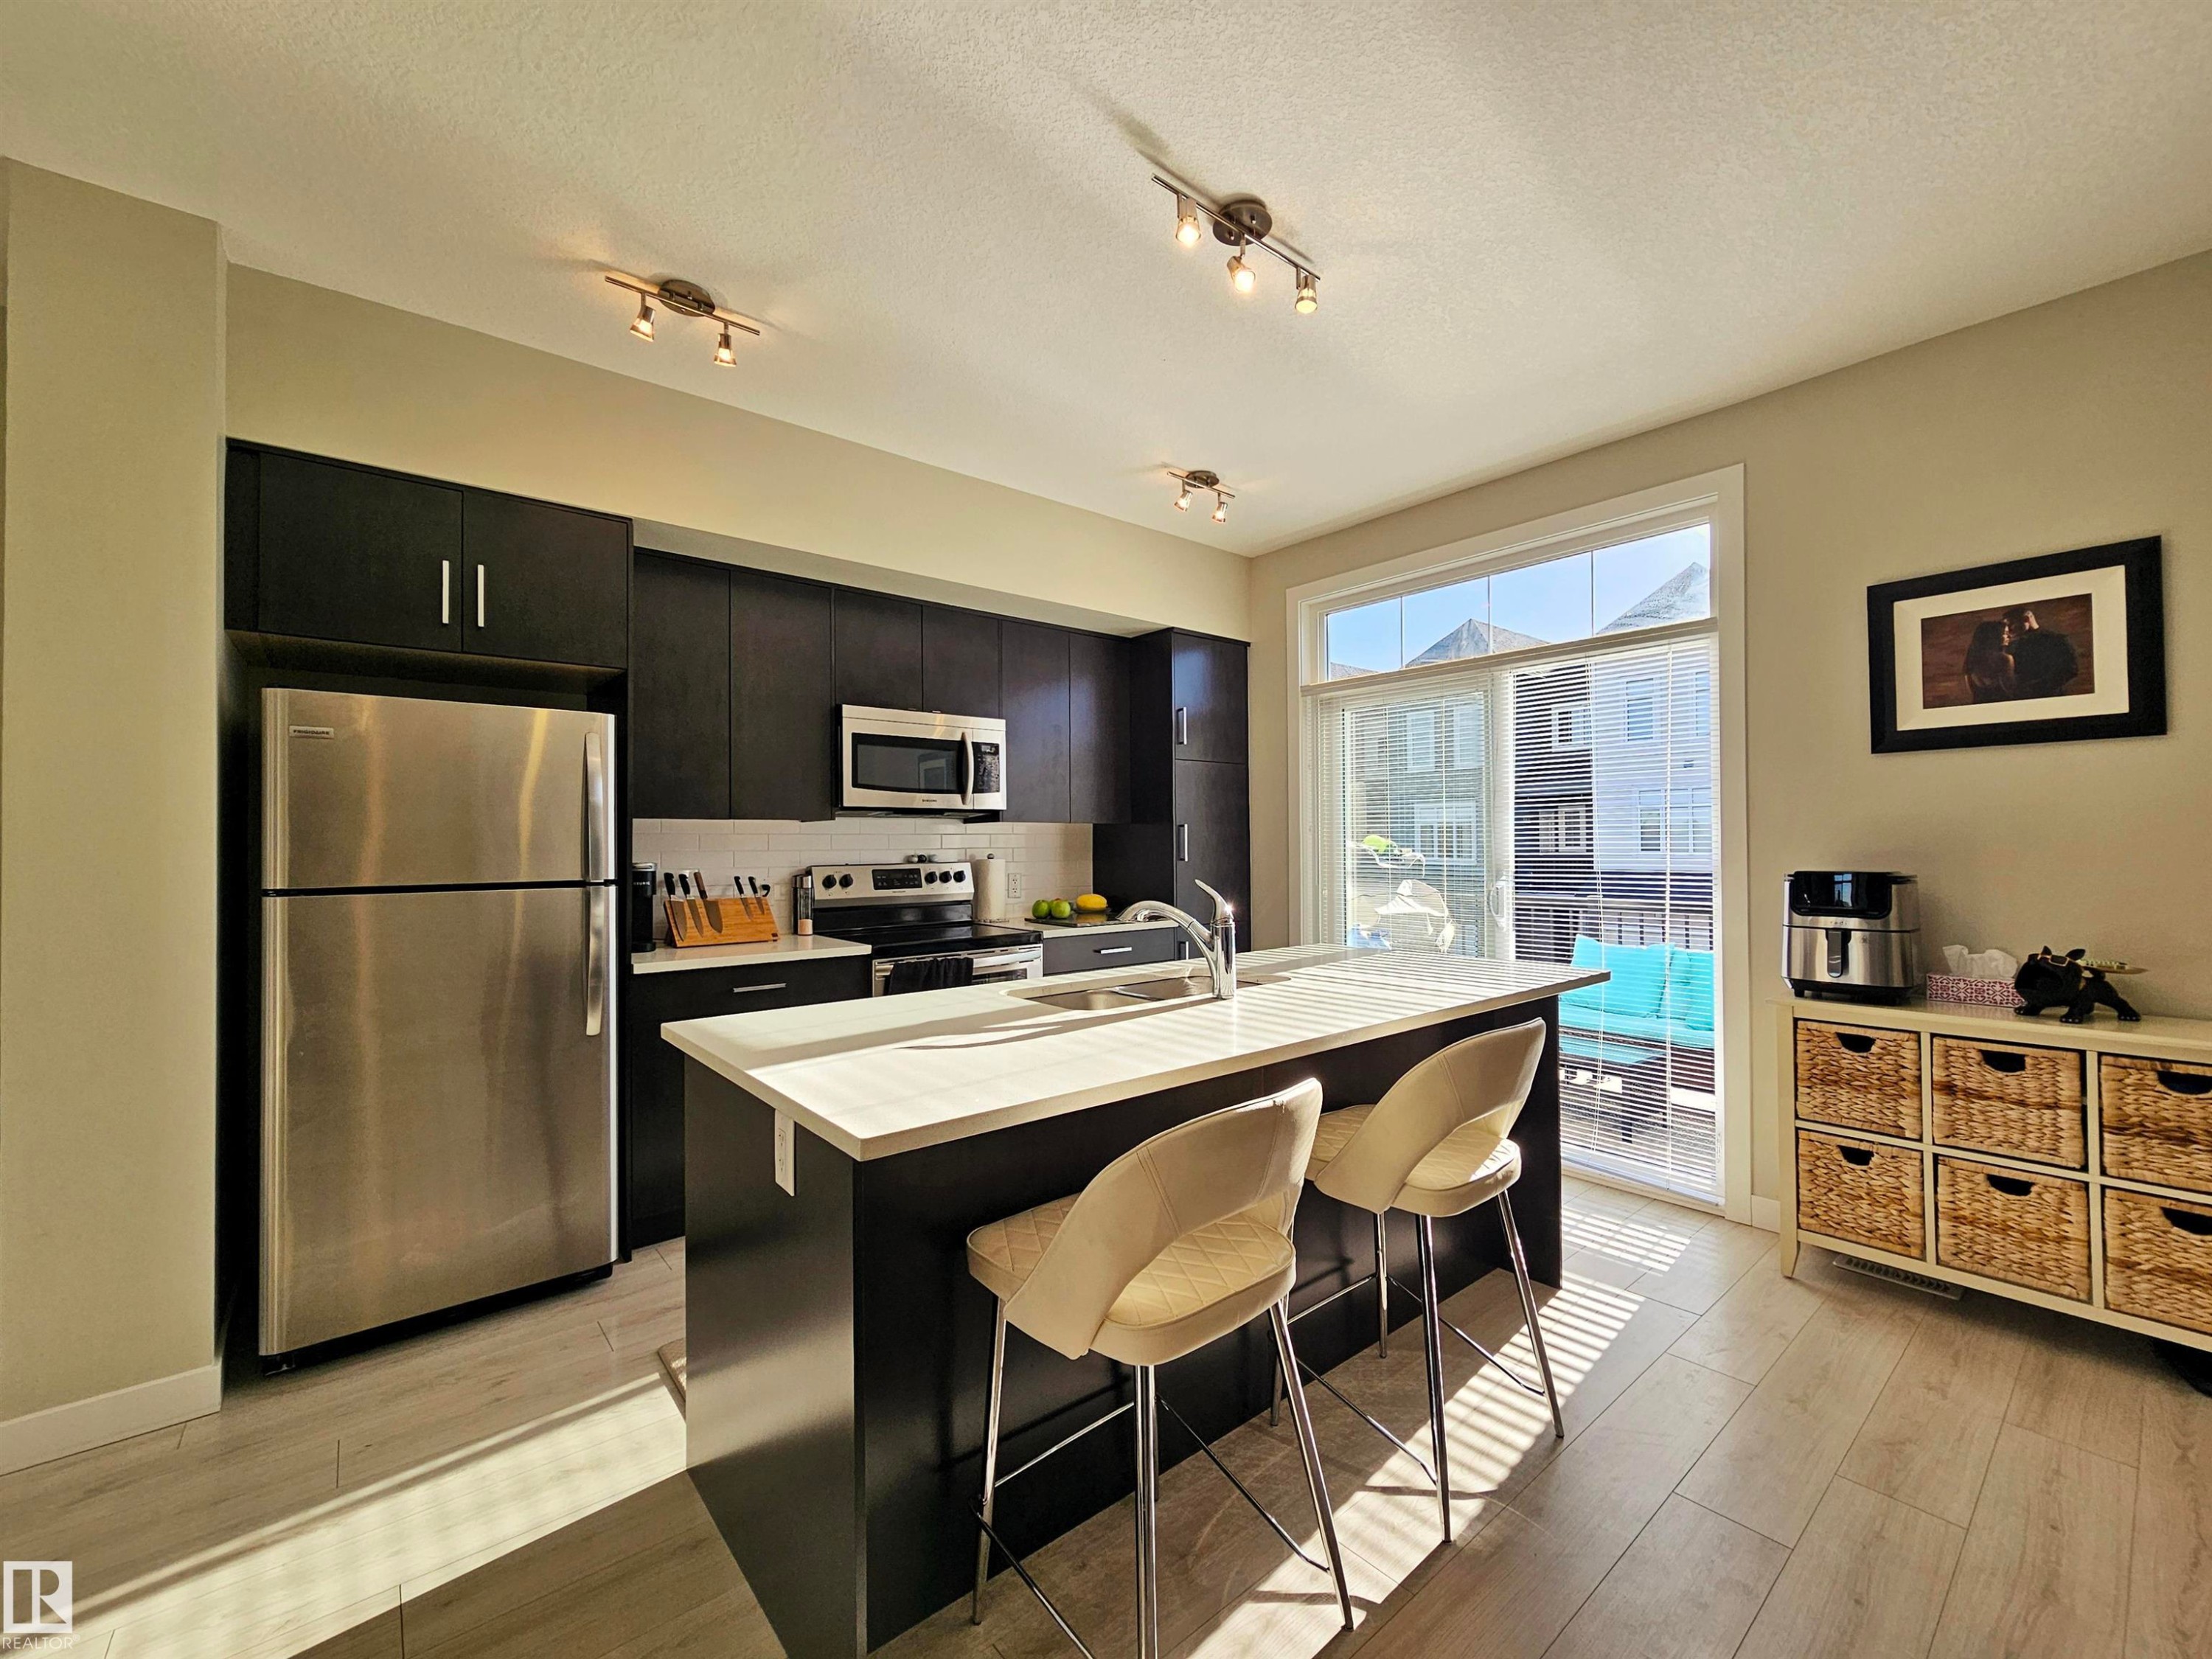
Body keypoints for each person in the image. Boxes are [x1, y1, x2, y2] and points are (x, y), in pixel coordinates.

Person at [2005, 605, 2080, 698]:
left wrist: (2036, 687)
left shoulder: (2056, 640)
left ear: (2026, 619)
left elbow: (2070, 670)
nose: (2009, 630)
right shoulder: (2014, 644)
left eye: (2011, 624)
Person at [1961, 618, 2014, 702]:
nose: (2010, 636)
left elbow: (1973, 693)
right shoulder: (2005, 659)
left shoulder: (1971, 660)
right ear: (1994, 636)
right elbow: (2011, 690)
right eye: (2006, 633)